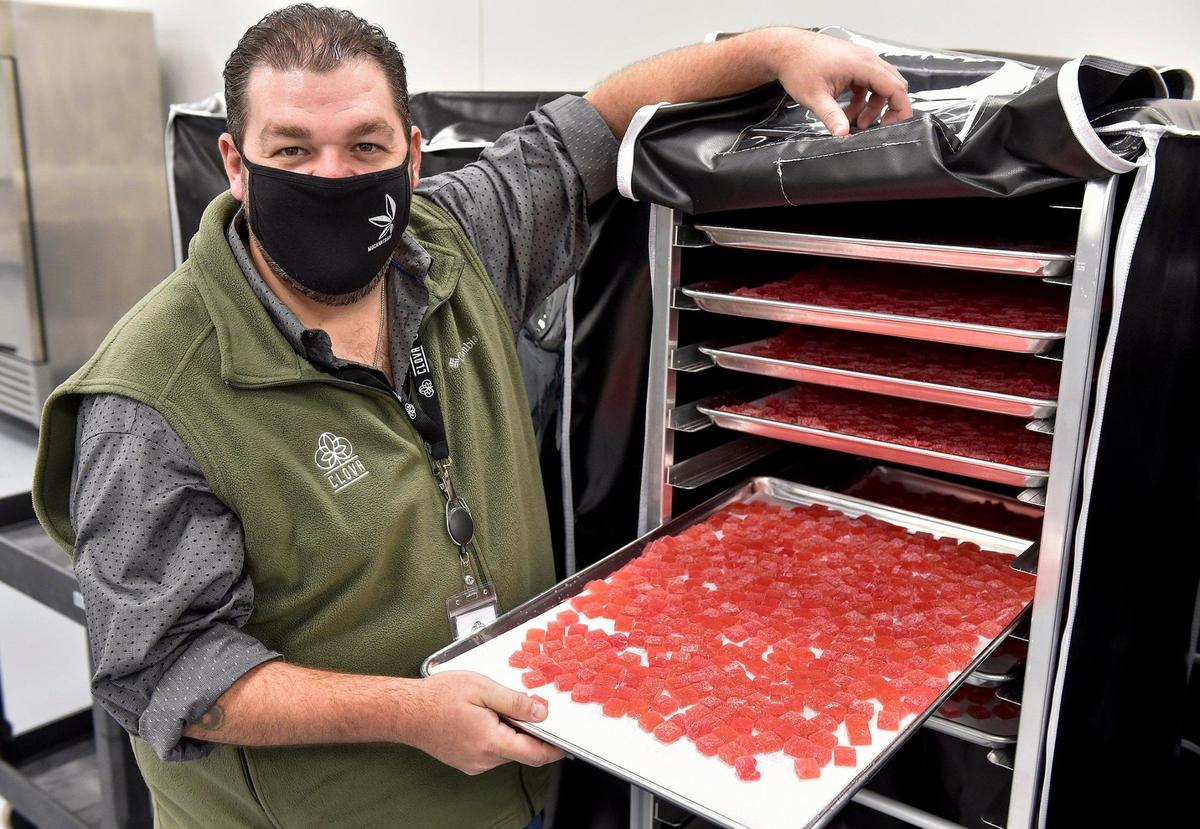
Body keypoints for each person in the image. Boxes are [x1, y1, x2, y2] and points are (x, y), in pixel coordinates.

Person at [32, 5, 910, 828]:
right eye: (292, 151)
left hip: (505, 793)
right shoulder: (154, 397)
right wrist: (410, 712)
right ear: (233, 162)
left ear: (413, 157)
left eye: (363, 144)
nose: (332, 178)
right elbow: (167, 665)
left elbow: (595, 127)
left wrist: (774, 48)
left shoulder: (451, 245)